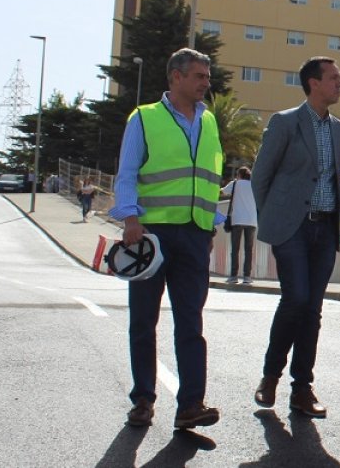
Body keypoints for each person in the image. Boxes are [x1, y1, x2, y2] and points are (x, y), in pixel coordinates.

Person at [110, 48, 224, 429]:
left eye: (207, 76)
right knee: (144, 320)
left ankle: (191, 404)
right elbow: (127, 172)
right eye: (199, 76)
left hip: (194, 234)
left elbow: (210, 178)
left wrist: (210, 225)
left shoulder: (208, 122)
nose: (206, 83)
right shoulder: (144, 118)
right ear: (176, 77)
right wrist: (129, 218)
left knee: (190, 322)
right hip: (151, 236)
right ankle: (143, 399)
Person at [251, 56, 340, 419]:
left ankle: (302, 388)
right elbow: (261, 176)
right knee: (296, 298)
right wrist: (274, 220)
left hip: (324, 228)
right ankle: (270, 376)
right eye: (334, 78)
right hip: (291, 228)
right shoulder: (285, 122)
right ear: (313, 83)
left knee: (313, 308)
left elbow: (333, 181)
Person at [221, 166, 257, 284]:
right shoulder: (254, 184)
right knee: (249, 249)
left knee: (235, 249)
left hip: (237, 220)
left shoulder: (236, 184)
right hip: (251, 220)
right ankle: (247, 277)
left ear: (239, 175)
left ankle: (233, 276)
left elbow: (223, 191)